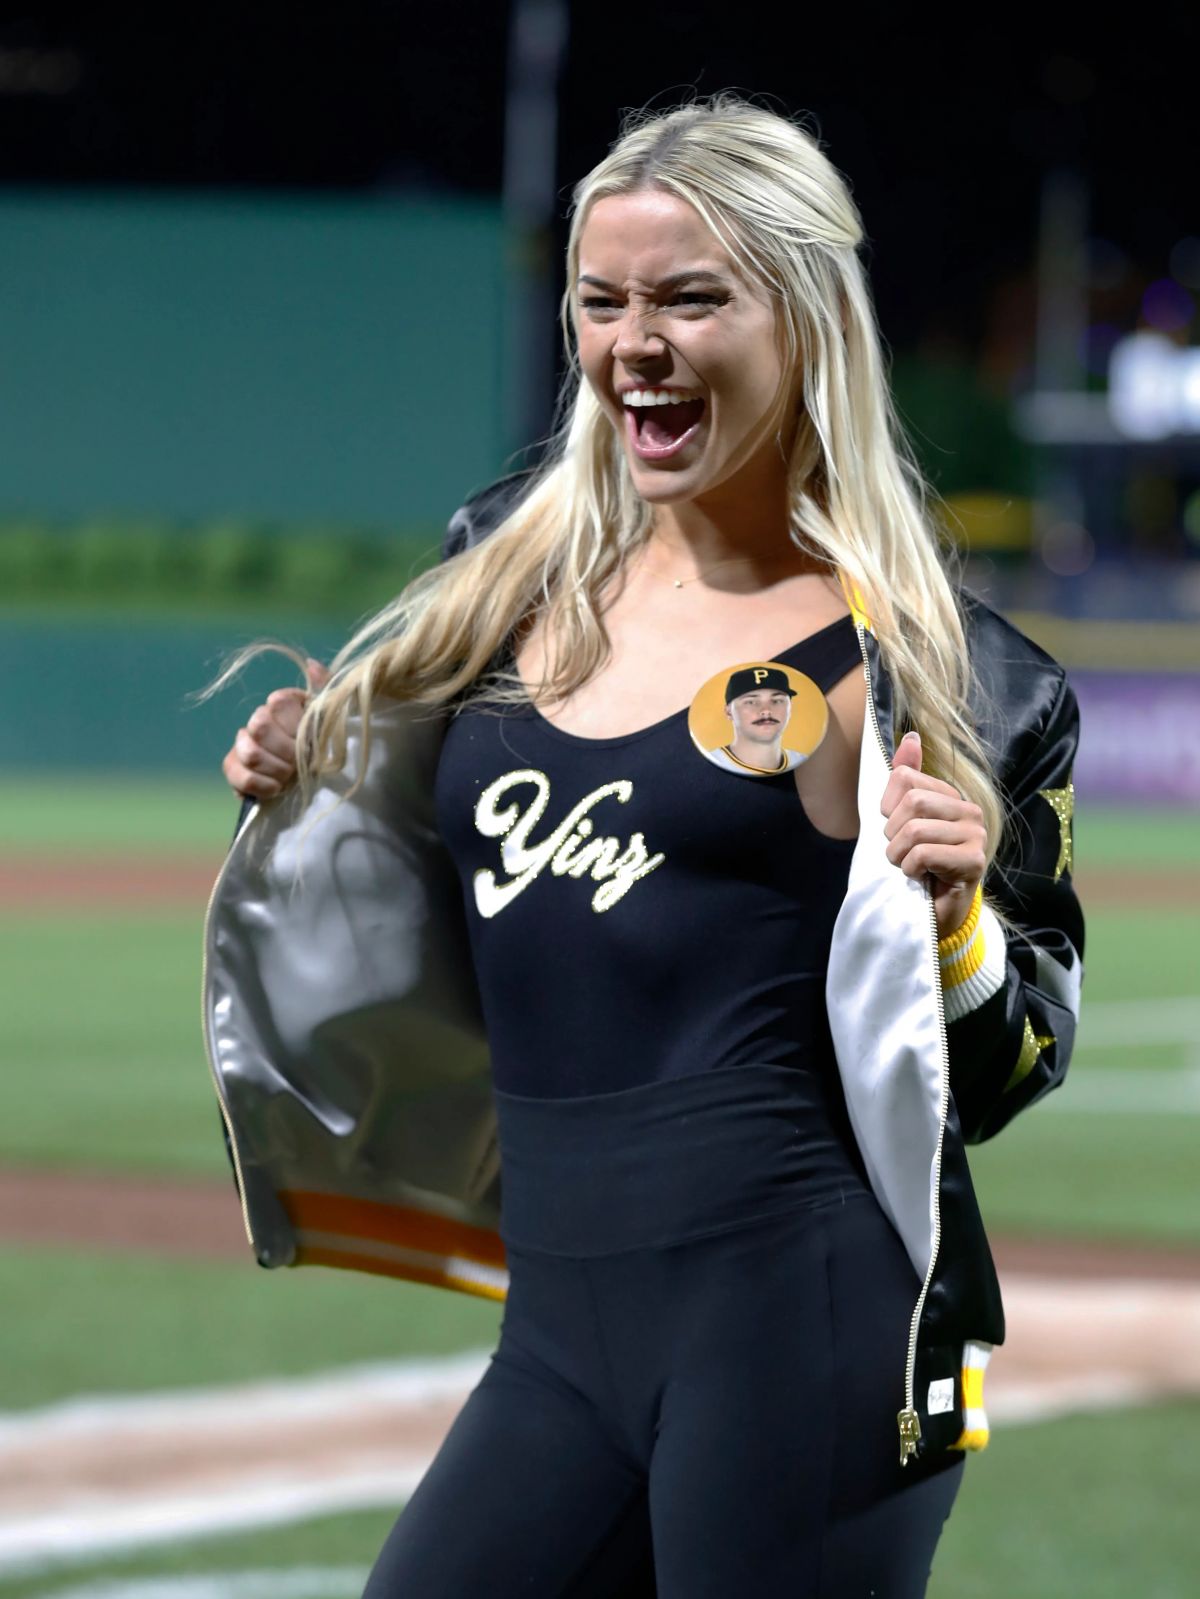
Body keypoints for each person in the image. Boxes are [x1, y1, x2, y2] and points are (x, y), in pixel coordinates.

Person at [208, 94, 1084, 1598]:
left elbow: (1012, 1067)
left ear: (805, 321)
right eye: (602, 302)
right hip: (556, 1339)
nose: (636, 343)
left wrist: (952, 919)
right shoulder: (505, 564)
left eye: (692, 298)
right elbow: (460, 898)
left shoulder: (949, 670)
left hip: (808, 1342)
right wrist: (317, 792)